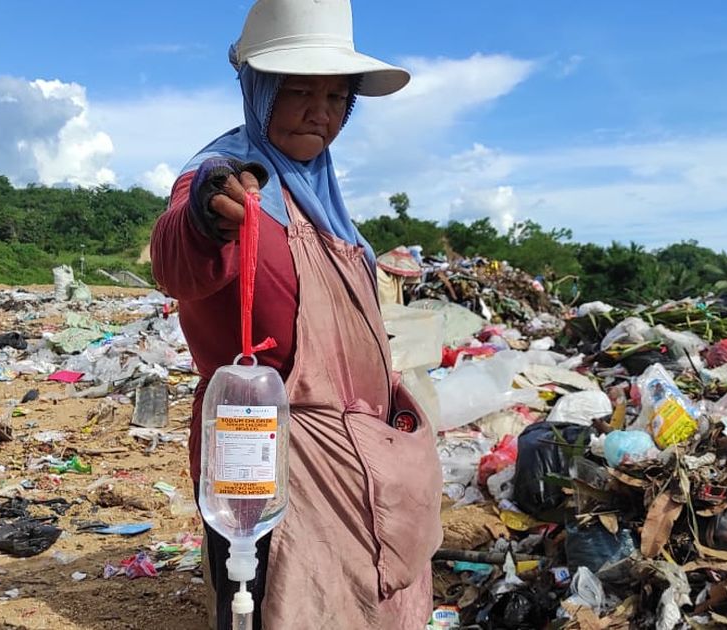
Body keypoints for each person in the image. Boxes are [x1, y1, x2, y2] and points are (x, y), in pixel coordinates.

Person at [149, 1, 443, 628]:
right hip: (266, 447)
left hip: (356, 449)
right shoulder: (226, 174)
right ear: (260, 93)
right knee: (262, 595)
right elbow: (176, 259)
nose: (322, 112)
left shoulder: (318, 191)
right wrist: (205, 217)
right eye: (300, 92)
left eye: (337, 98)